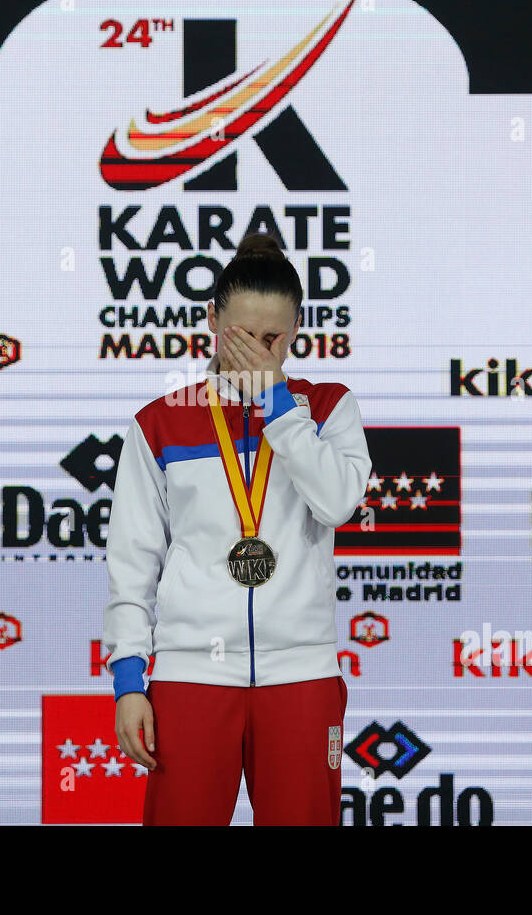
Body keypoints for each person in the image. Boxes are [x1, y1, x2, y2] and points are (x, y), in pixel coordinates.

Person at [102, 232, 371, 825]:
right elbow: (132, 560)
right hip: (192, 673)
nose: (256, 350)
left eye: (273, 338)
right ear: (211, 320)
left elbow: (339, 504)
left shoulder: (327, 407)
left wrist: (279, 406)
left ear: (297, 331)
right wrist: (128, 679)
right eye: (241, 336)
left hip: (301, 674)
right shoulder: (162, 422)